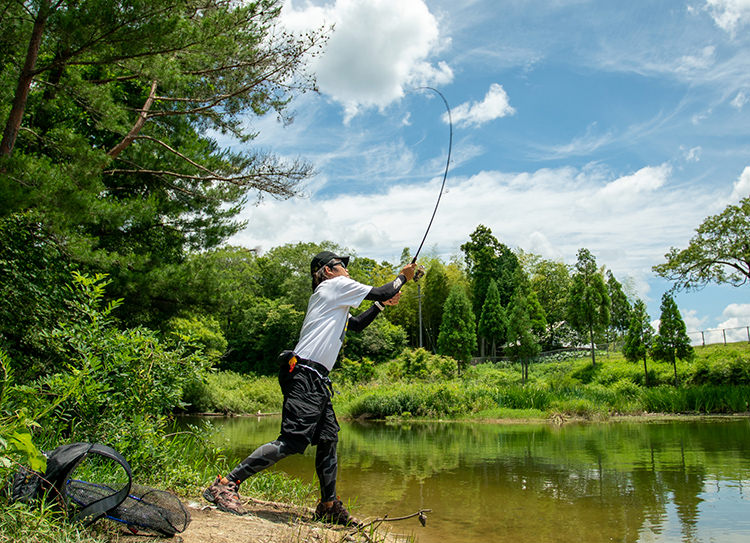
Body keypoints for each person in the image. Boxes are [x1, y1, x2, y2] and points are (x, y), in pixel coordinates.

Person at [203, 250, 417, 525]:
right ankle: (226, 483)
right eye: (342, 266)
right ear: (327, 271)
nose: (347, 271)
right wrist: (403, 277)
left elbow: (356, 325)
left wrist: (380, 306)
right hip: (304, 374)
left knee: (328, 439)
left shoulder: (332, 300)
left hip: (316, 378)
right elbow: (383, 289)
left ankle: (328, 505)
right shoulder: (333, 286)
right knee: (292, 441)